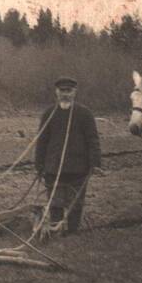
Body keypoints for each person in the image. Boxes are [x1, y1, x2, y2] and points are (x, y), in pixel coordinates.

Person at [34, 76, 102, 234]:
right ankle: (55, 231)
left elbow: (93, 140)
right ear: (56, 92)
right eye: (62, 91)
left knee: (75, 204)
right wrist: (39, 165)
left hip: (78, 168)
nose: (65, 94)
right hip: (53, 168)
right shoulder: (49, 114)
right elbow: (41, 141)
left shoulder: (84, 113)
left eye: (68, 91)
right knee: (55, 202)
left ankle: (72, 233)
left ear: (75, 92)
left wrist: (95, 163)